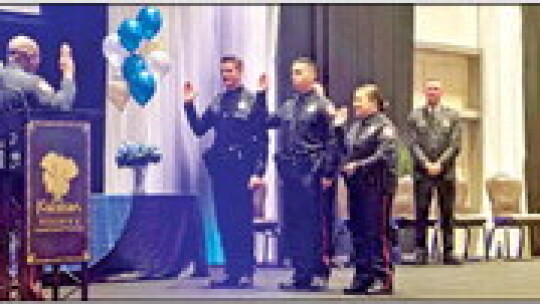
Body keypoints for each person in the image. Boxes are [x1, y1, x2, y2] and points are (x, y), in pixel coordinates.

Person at [0, 35, 76, 300]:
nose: (38, 63)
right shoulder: (29, 82)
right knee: (29, 228)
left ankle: (1, 285)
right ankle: (29, 285)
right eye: (37, 58)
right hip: (20, 168)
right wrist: (67, 74)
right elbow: (62, 106)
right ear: (28, 58)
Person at [182, 56, 268, 289]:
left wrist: (258, 172)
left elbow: (262, 140)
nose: (225, 76)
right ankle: (231, 271)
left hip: (243, 168)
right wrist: (189, 105)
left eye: (229, 71)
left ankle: (245, 272)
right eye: (223, 72)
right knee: (225, 221)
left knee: (242, 221)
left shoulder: (252, 101)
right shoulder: (218, 101)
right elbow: (200, 129)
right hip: (222, 170)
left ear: (240, 72)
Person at [260, 57, 340, 291]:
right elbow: (266, 121)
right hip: (291, 173)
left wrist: (328, 172)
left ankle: (319, 273)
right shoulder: (289, 105)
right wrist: (262, 96)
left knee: (315, 224)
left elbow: (332, 141)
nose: (293, 77)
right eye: (292, 72)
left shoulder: (323, 105)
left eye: (298, 72)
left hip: (313, 171)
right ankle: (300, 273)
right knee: (294, 224)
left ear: (312, 76)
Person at [340, 84, 398, 295]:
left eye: (359, 99)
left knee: (376, 233)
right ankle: (363, 276)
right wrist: (338, 129)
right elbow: (346, 151)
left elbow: (384, 155)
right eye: (354, 99)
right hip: (358, 187)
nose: (355, 104)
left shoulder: (385, 126)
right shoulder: (355, 127)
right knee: (359, 233)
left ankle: (383, 277)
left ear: (373, 103)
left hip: (378, 186)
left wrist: (359, 165)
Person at [407, 78, 462, 265]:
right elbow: (413, 145)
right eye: (429, 89)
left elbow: (455, 145)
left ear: (442, 92)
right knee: (421, 212)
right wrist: (426, 164)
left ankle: (448, 251)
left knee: (447, 213)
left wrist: (439, 163)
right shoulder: (415, 115)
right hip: (422, 173)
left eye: (436, 89)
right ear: (425, 92)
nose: (432, 92)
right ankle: (420, 251)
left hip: (445, 173)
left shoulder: (453, 116)